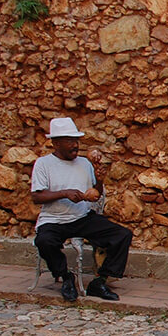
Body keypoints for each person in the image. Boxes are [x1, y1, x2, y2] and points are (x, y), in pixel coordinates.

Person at [31, 117, 133, 302]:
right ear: (56, 143)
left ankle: (100, 281)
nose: (75, 145)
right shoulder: (43, 164)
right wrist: (64, 193)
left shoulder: (85, 163)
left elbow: (95, 194)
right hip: (54, 219)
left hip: (82, 217)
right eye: (69, 141)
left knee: (122, 235)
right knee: (44, 241)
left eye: (76, 140)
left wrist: (100, 182)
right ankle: (65, 276)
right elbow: (37, 196)